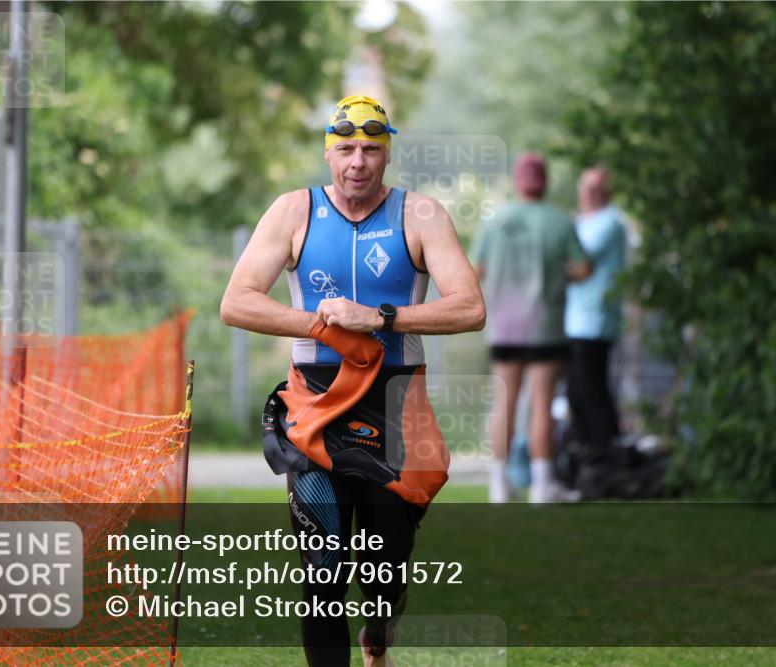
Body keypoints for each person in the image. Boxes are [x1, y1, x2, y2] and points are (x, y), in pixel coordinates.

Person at [220, 94, 485, 667]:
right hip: (315, 407)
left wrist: (381, 318)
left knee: (385, 572)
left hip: (395, 405)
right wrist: (323, 324)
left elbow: (469, 308)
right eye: (345, 149)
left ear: (387, 154)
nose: (357, 162)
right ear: (328, 155)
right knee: (322, 575)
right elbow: (236, 303)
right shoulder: (294, 211)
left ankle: (380, 627)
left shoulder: (422, 215)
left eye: (370, 149)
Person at [470, 153, 590, 504]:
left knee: (503, 401)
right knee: (542, 402)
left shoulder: (496, 221)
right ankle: (542, 484)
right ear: (545, 180)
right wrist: (558, 275)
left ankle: (498, 484)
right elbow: (583, 269)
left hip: (505, 327)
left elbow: (474, 270)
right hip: (546, 326)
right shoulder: (560, 221)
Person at [564, 167, 628, 479]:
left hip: (595, 320)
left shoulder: (610, 222)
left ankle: (604, 454)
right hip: (575, 320)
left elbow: (579, 259)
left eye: (596, 188)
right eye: (586, 187)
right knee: (578, 391)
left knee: (592, 390)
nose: (590, 193)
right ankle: (587, 456)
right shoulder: (583, 221)